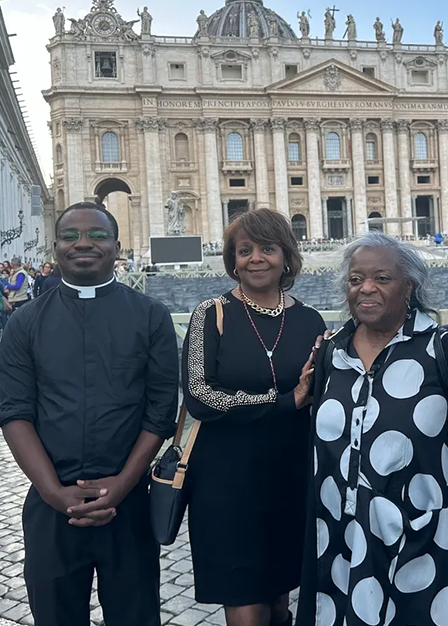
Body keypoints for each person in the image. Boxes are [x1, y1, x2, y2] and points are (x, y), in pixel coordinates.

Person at [0, 202, 179, 626]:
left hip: (128, 502)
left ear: (116, 246)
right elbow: (15, 414)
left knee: (136, 615)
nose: (83, 244)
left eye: (96, 235)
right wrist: (55, 492)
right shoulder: (24, 323)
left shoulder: (151, 316)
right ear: (56, 248)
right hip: (50, 501)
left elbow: (160, 413)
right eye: (71, 235)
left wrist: (122, 484)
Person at [295, 233, 448, 626]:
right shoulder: (331, 354)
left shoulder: (445, 350)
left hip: (424, 537)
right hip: (340, 538)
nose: (366, 288)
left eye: (382, 278)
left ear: (410, 286)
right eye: (356, 279)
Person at [183, 208, 326, 626]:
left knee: (280, 603)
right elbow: (200, 397)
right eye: (245, 251)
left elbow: (318, 395)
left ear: (286, 256)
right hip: (226, 486)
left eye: (267, 248)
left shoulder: (309, 320)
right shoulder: (208, 315)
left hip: (289, 478)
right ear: (233, 260)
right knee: (246, 606)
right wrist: (284, 401)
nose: (256, 258)